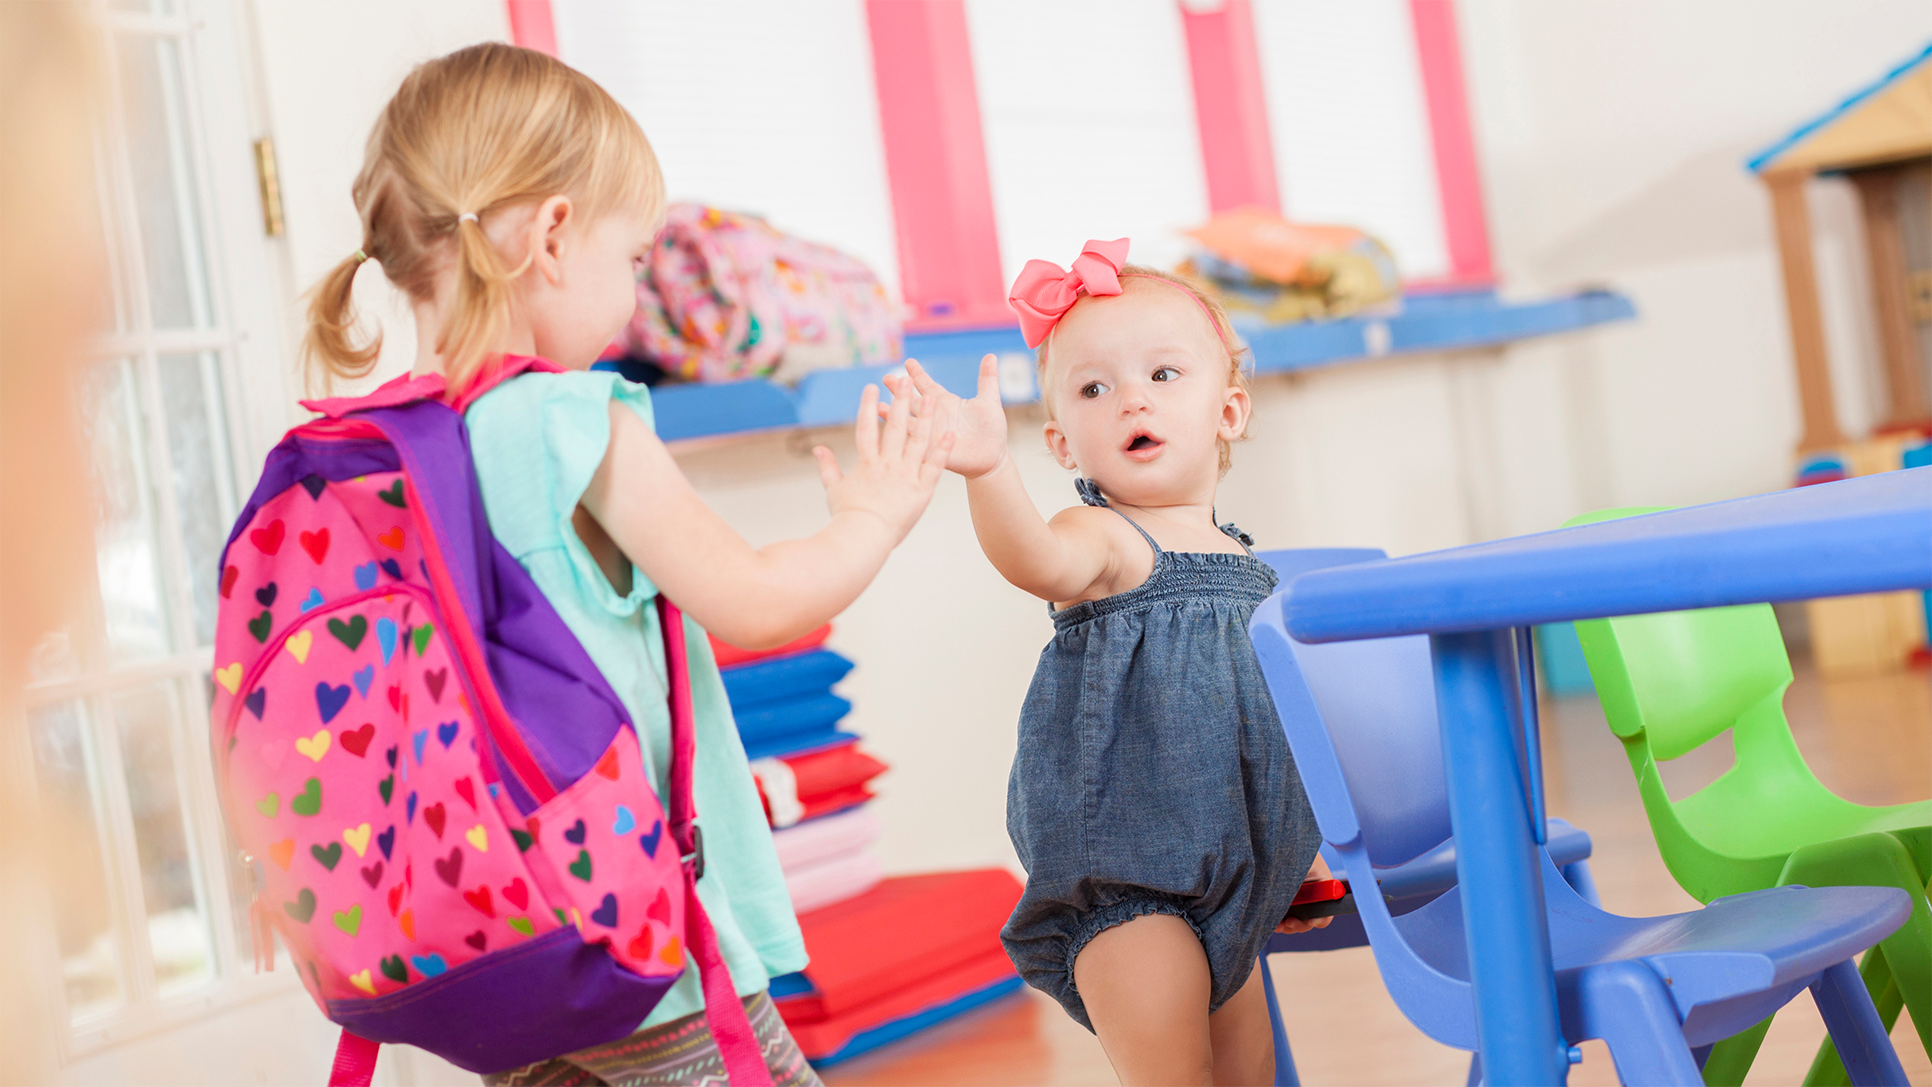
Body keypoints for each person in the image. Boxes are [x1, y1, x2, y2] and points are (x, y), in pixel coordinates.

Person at [302, 43, 952, 1087]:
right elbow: (762, 598)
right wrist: (874, 515)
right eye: (637, 256)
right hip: (635, 934)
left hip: (488, 943)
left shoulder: (377, 453)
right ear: (554, 235)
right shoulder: (572, 420)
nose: (639, 284)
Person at [888, 239, 1327, 1087]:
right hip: (1130, 889)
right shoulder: (1104, 538)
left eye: (1164, 374)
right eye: (1096, 387)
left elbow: (1275, 725)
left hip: (1234, 883)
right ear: (1061, 443)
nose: (1132, 397)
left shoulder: (1249, 568)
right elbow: (1035, 562)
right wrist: (987, 470)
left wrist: (1303, 849)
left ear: (1227, 413)